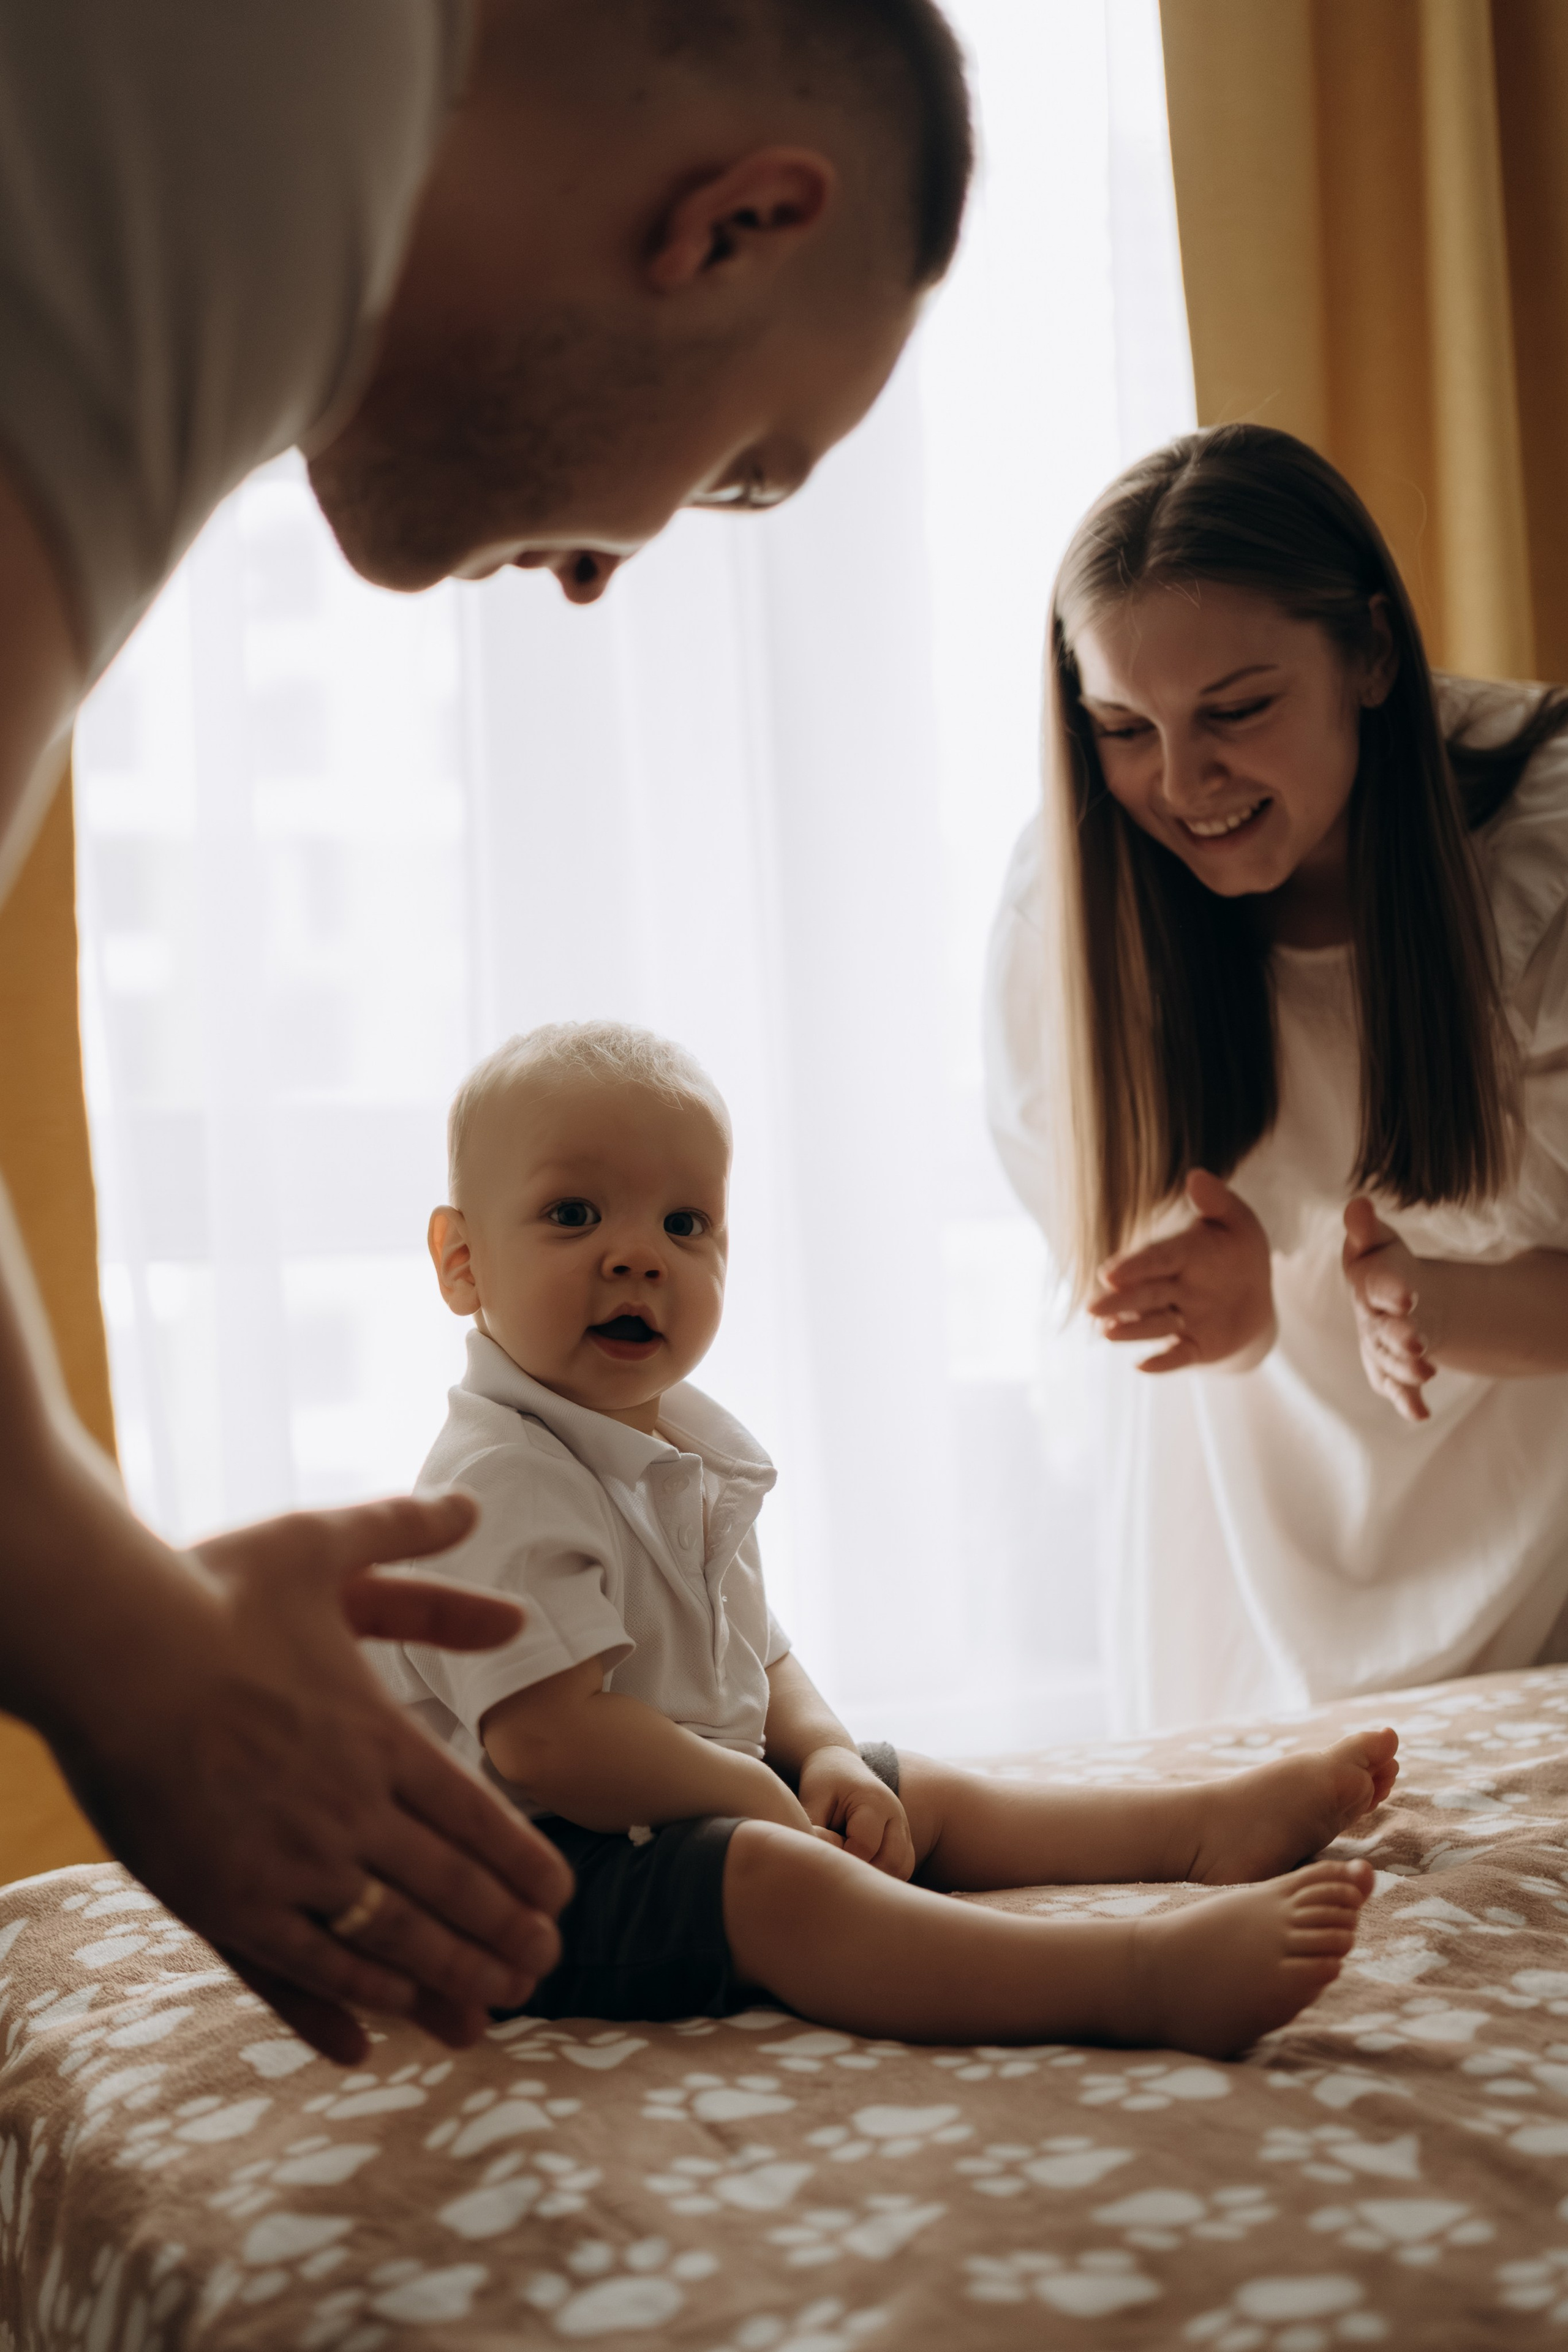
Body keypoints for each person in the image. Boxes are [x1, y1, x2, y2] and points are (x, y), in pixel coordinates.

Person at [0, 0, 973, 2059]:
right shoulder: (256, 118)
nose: (610, 580)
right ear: (734, 224)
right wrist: (117, 1639)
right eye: (733, 476)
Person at [371, 1019, 1393, 2054]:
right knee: (778, 1879)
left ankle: (1199, 1830)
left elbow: (758, 1649)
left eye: (686, 1223)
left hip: (658, 1812)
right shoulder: (498, 1480)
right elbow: (549, 1740)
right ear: (462, 1262)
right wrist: (745, 1791)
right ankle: (1133, 1979)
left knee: (907, 1787)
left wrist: (818, 1757)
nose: (638, 1256)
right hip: (519, 1883)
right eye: (574, 1214)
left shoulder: (674, 1448)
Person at [986, 424, 1568, 1734]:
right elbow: (1108, 1262)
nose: (1182, 785)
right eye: (1121, 728)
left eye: (1236, 712)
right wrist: (1222, 1313)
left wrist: (1442, 1305)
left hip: (1536, 1552)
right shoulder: (1070, 908)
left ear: (1368, 652)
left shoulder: (1545, 865)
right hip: (1240, 1565)